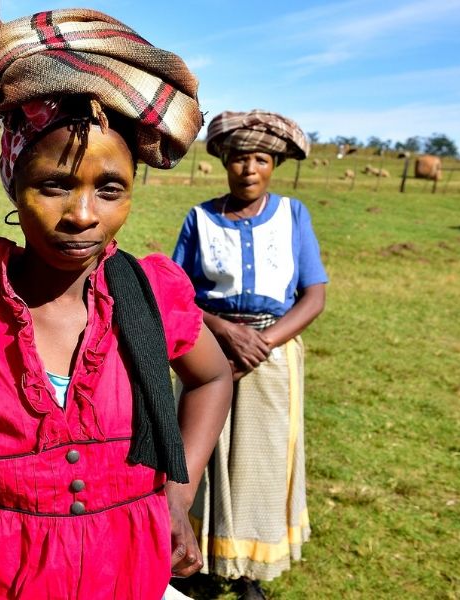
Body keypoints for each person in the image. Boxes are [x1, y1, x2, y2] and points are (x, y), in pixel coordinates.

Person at [0, 6, 234, 599]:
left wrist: (179, 492)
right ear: (13, 181)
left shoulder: (153, 294)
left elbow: (212, 377)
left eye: (109, 189)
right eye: (53, 185)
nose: (82, 215)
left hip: (128, 572)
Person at [170, 110, 328, 599]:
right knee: (203, 453)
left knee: (261, 459)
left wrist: (262, 343)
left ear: (275, 164)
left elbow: (314, 294)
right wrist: (223, 332)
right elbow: (179, 292)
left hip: (272, 354)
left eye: (260, 158)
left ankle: (248, 573)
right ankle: (199, 561)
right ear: (224, 162)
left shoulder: (293, 215)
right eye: (239, 158)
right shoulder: (201, 218)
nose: (249, 169)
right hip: (207, 349)